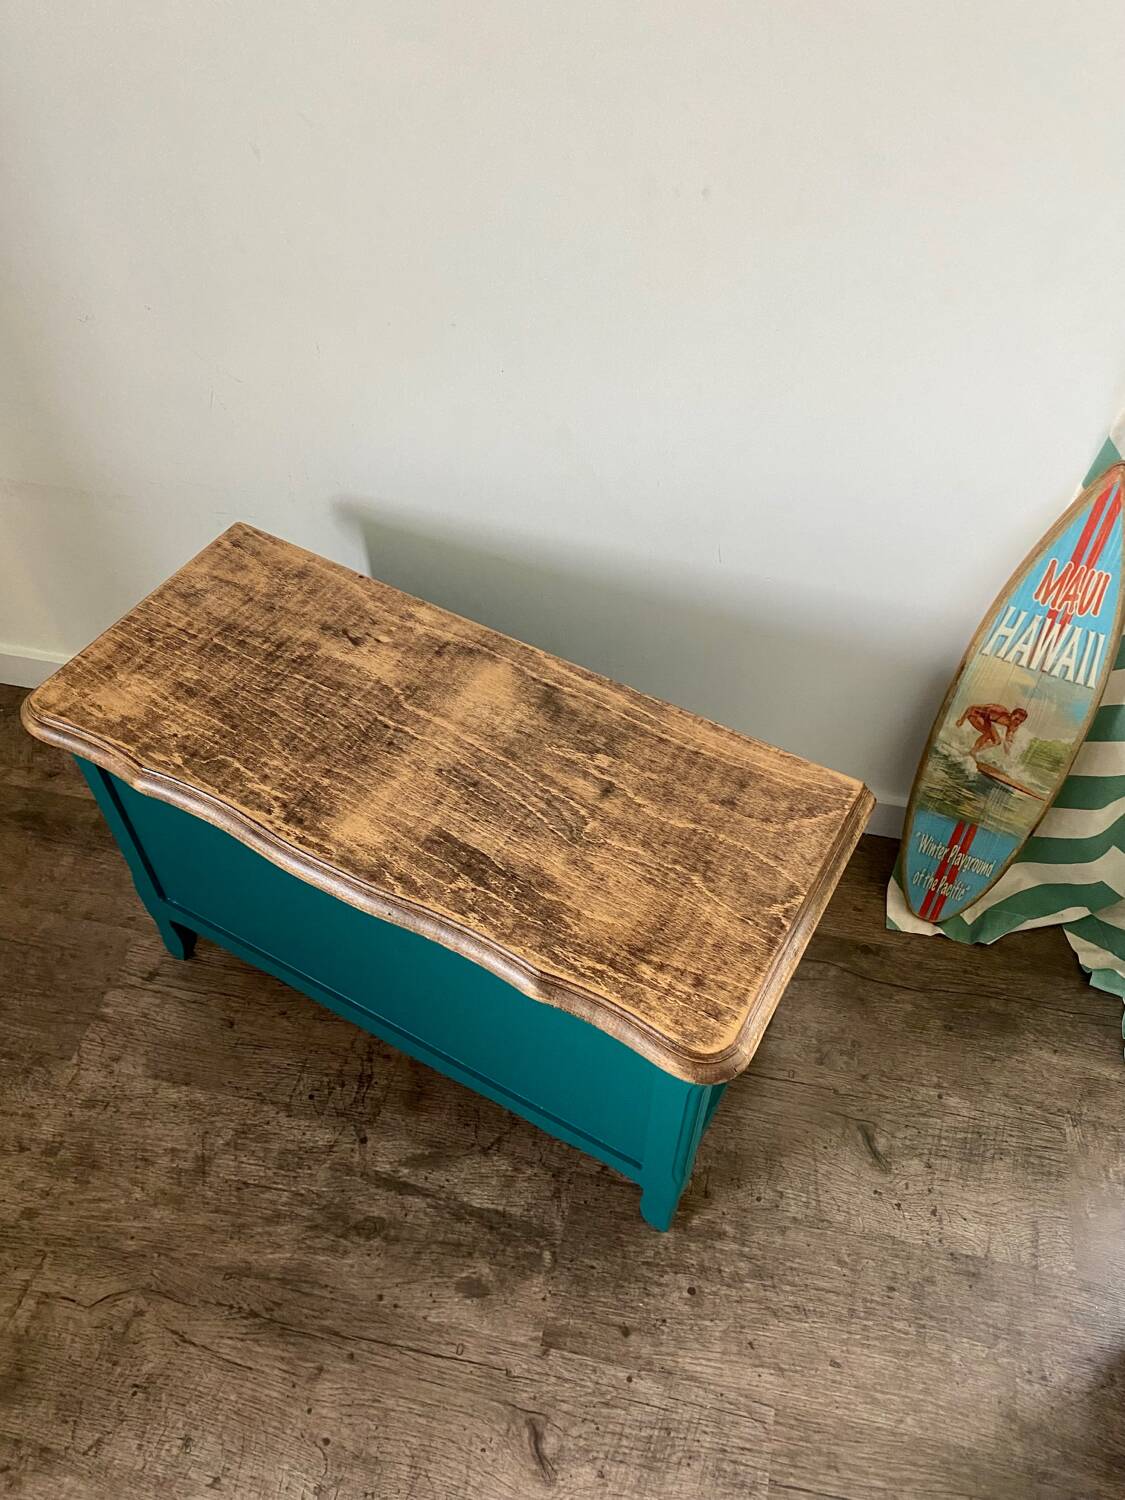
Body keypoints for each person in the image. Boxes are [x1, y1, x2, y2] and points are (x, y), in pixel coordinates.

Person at [955, 703, 1028, 760]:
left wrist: (1009, 756)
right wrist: (962, 720)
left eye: (1021, 721)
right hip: (973, 714)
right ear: (1011, 715)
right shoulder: (999, 711)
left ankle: (973, 751)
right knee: (989, 734)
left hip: (986, 720)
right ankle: (972, 752)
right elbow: (971, 707)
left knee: (997, 741)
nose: (1017, 722)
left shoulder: (1013, 726)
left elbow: (1007, 741)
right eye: (1016, 719)